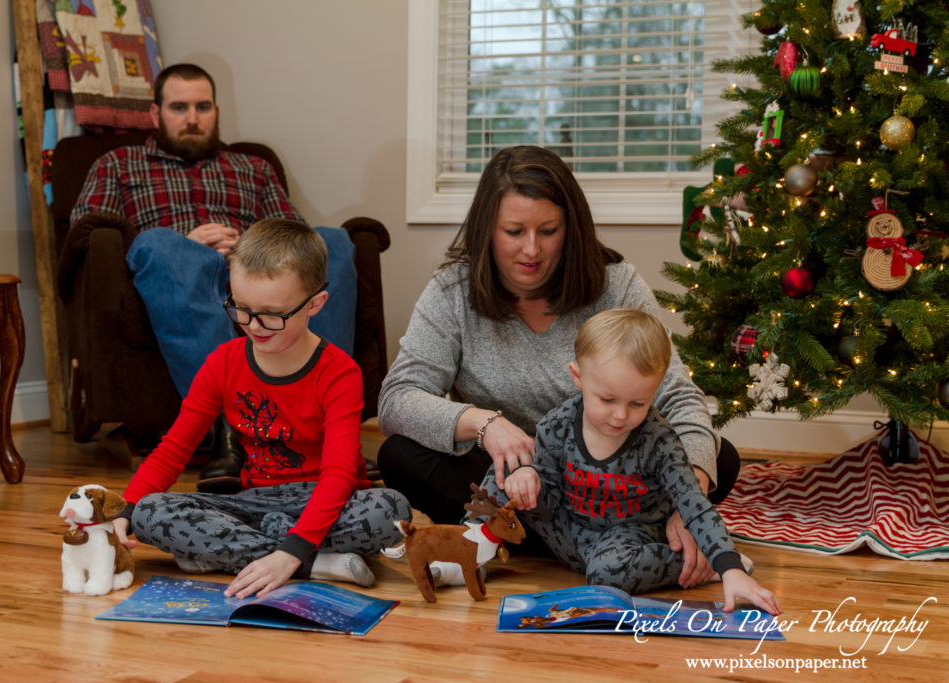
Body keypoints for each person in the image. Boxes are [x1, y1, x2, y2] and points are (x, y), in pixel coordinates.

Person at [378, 145, 740, 588]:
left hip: (615, 487)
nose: (531, 249)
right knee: (398, 456)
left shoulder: (616, 284)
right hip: (517, 485)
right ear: (487, 230)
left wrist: (692, 495)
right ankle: (609, 550)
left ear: (571, 228)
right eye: (514, 231)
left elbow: (677, 394)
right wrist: (485, 424)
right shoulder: (453, 290)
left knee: (717, 457)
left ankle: (530, 543)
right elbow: (397, 400)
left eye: (548, 230)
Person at [70, 63, 357, 491]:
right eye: (179, 107)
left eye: (202, 107)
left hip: (256, 275)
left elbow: (296, 239)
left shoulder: (253, 168)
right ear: (155, 114)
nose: (192, 117)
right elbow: (83, 231)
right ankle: (230, 436)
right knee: (160, 245)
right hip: (170, 275)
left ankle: (331, 426)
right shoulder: (118, 164)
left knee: (332, 240)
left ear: (216, 111)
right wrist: (186, 245)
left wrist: (247, 248)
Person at [111, 219, 411, 597]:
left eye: (272, 314)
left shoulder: (339, 372)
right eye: (240, 309)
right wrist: (126, 509)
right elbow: (173, 449)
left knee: (391, 509)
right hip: (252, 501)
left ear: (316, 303)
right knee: (150, 512)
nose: (253, 326)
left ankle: (241, 554)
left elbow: (338, 475)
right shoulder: (223, 362)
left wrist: (295, 545)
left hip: (325, 499)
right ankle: (316, 564)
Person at [481, 309, 779, 615]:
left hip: (626, 536)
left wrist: (731, 569)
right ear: (578, 377)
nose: (621, 415)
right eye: (607, 400)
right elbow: (544, 480)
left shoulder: (659, 441)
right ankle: (470, 550)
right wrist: (528, 473)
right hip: (565, 526)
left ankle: (705, 564)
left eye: (638, 403)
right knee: (507, 470)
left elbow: (694, 504)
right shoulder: (557, 424)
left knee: (605, 574)